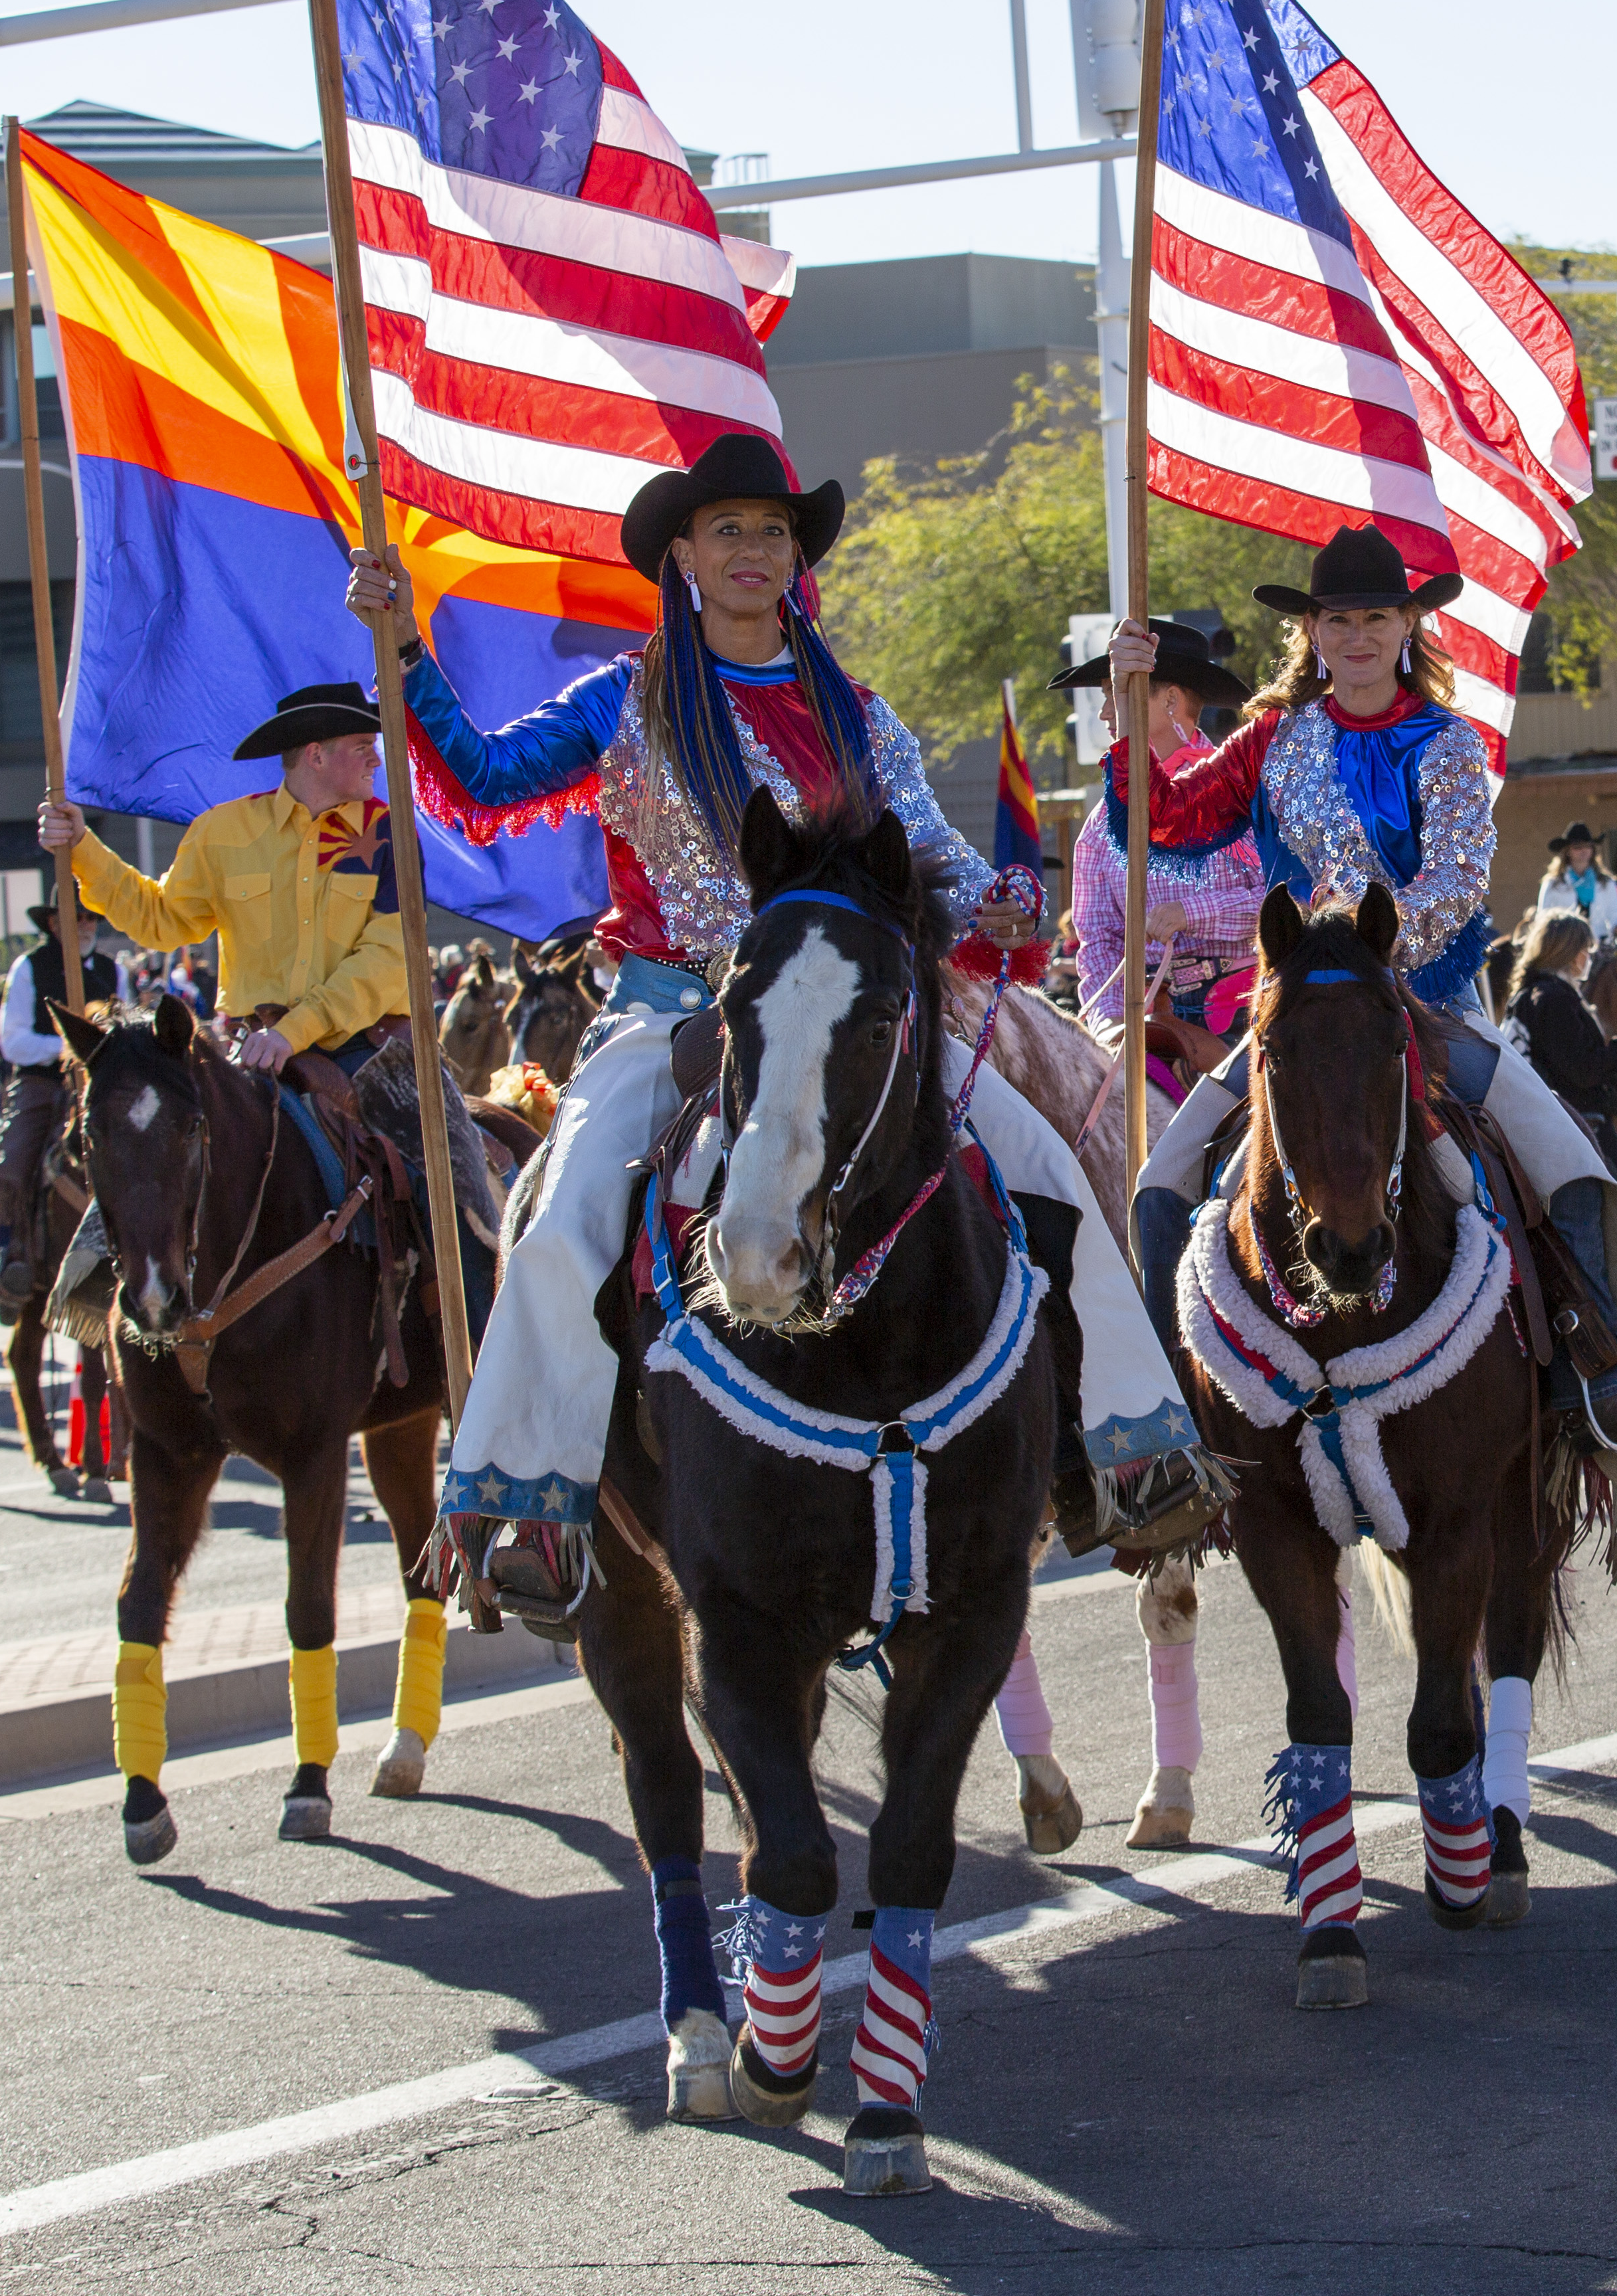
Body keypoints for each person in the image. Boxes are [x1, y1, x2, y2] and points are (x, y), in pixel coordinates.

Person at [378, 430, 1207, 1603]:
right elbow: (480, 778)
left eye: (773, 531)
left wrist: (1004, 899)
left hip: (855, 1017)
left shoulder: (856, 712)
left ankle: (1123, 1452)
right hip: (676, 1017)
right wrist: (405, 650)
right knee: (562, 1213)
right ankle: (533, 1503)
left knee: (1053, 1176)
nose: (754, 551)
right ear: (682, 555)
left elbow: (929, 846)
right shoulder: (622, 702)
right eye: (730, 531)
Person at [1109, 521, 1617, 1450]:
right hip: (1296, 1011)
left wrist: (1369, 947)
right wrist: (1132, 718)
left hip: (1430, 1004)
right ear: (1313, 634)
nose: (1358, 636)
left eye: (1378, 616)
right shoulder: (1271, 741)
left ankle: (1598, 1363)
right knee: (1162, 1177)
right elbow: (1167, 823)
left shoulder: (1447, 743)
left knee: (1567, 1155)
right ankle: (1173, 1405)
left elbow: (1456, 884)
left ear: (1411, 623)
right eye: (1338, 621)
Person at [35, 685, 407, 1080]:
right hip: (252, 1053)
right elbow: (161, 921)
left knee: (426, 1142)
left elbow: (388, 957)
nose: (376, 760)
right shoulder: (220, 831)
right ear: (316, 755)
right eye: (362, 746)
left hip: (363, 1050)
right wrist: (79, 846)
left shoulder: (389, 832)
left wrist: (293, 1032)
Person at [1057, 618, 1264, 1082]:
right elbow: (1100, 943)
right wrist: (1109, 1026)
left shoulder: (1247, 793)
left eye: (1118, 695)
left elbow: (1289, 900)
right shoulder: (1098, 828)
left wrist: (1195, 911)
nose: (1105, 713)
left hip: (1251, 1013)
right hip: (1152, 1023)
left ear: (1170, 699)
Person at [0, 901, 116, 1298]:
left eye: (91, 917)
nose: (85, 925)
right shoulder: (30, 966)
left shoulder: (113, 971)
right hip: (43, 1084)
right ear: (52, 922)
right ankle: (11, 1254)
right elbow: (13, 1041)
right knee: (13, 1162)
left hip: (98, 1084)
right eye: (76, 917)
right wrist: (66, 1047)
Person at [1507, 913, 1617, 1160]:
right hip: (1579, 1131)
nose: (1590, 956)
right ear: (1570, 954)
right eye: (1587, 949)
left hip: (1570, 1126)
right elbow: (1585, 1070)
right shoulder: (1553, 998)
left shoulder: (1543, 993)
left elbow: (1584, 1063)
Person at [1533, 824, 1617, 941]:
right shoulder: (1553, 883)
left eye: (1588, 847)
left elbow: (1616, 914)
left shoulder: (1606, 883)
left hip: (1600, 945)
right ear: (1567, 851)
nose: (1583, 851)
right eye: (1577, 847)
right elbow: (1543, 918)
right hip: (1566, 946)